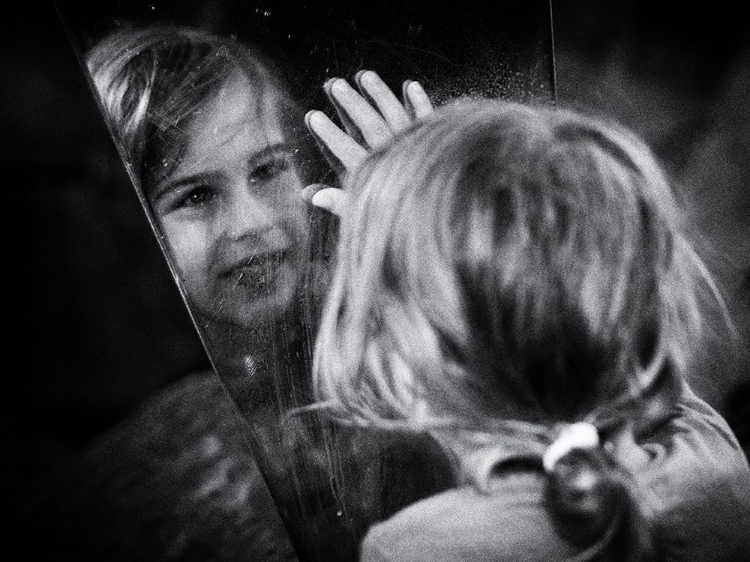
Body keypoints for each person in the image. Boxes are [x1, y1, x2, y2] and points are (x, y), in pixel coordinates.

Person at [306, 98, 750, 561]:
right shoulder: (713, 460)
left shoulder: (417, 550)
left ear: (415, 361)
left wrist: (415, 210)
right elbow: (626, 338)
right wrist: (439, 212)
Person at [82, 24, 452, 562]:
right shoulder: (155, 439)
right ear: (128, 222)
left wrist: (438, 249)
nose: (252, 222)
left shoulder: (379, 336)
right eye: (196, 195)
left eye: (267, 170)